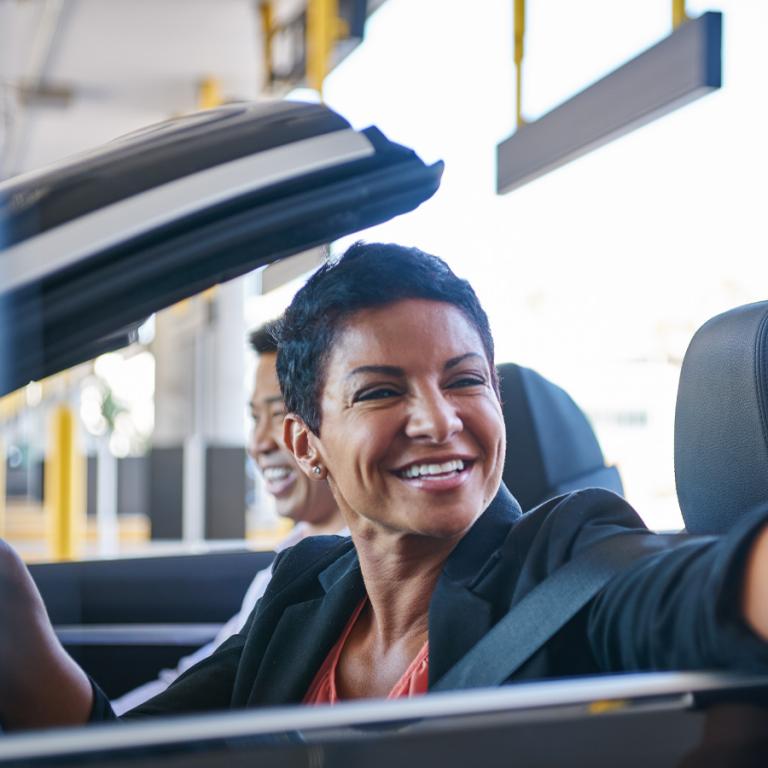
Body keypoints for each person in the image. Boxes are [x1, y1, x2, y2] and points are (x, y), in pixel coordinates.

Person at [4, 242, 768, 730]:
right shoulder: (301, 595)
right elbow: (126, 757)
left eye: (465, 381)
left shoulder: (567, 555)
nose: (438, 420)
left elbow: (697, 591)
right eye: (380, 392)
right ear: (308, 446)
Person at [111, 325, 347, 714]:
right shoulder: (294, 554)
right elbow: (200, 679)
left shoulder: (346, 575)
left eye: (281, 414)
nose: (259, 443)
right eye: (257, 418)